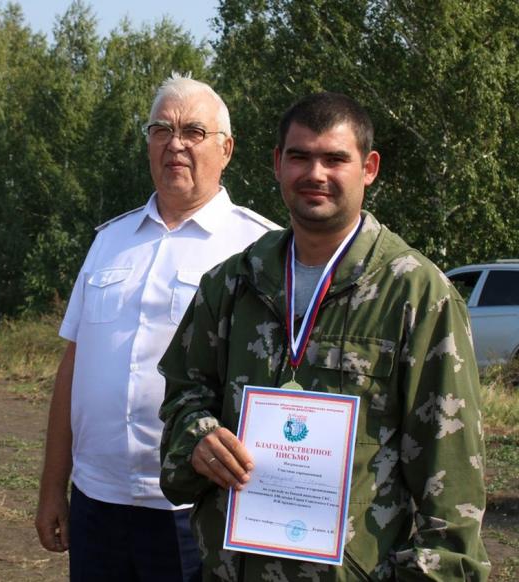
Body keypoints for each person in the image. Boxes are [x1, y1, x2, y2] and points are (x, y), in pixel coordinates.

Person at [158, 92, 490, 580]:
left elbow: (452, 482)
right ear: (277, 164)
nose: (315, 174)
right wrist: (199, 439)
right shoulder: (233, 283)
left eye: (335, 158)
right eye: (300, 157)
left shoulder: (416, 294)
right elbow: (183, 398)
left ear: (369, 168)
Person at [35, 73, 278, 581]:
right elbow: (74, 367)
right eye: (161, 130)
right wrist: (52, 487)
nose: (176, 144)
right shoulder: (110, 241)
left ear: (226, 148)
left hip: (194, 509)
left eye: (193, 131)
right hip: (97, 503)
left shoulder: (259, 250)